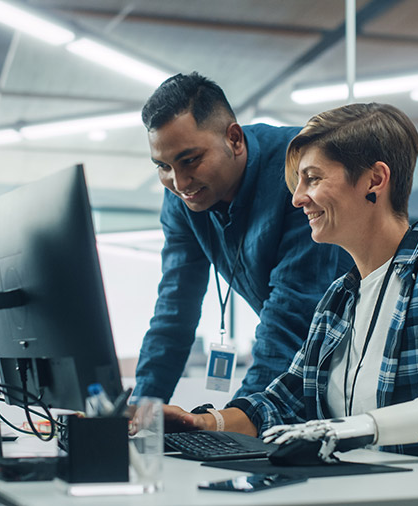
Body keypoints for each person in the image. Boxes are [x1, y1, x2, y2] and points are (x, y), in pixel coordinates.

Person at [163, 103, 418, 468]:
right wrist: (204, 423)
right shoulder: (338, 299)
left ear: (375, 180)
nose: (297, 199)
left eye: (313, 178)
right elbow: (285, 400)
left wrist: (370, 426)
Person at [133, 72, 352, 402]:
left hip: (358, 357)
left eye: (189, 160)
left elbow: (292, 312)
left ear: (234, 139)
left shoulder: (300, 171)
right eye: (162, 166)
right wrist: (142, 408)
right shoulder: (184, 199)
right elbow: (174, 306)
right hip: (302, 359)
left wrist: (236, 418)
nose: (179, 183)